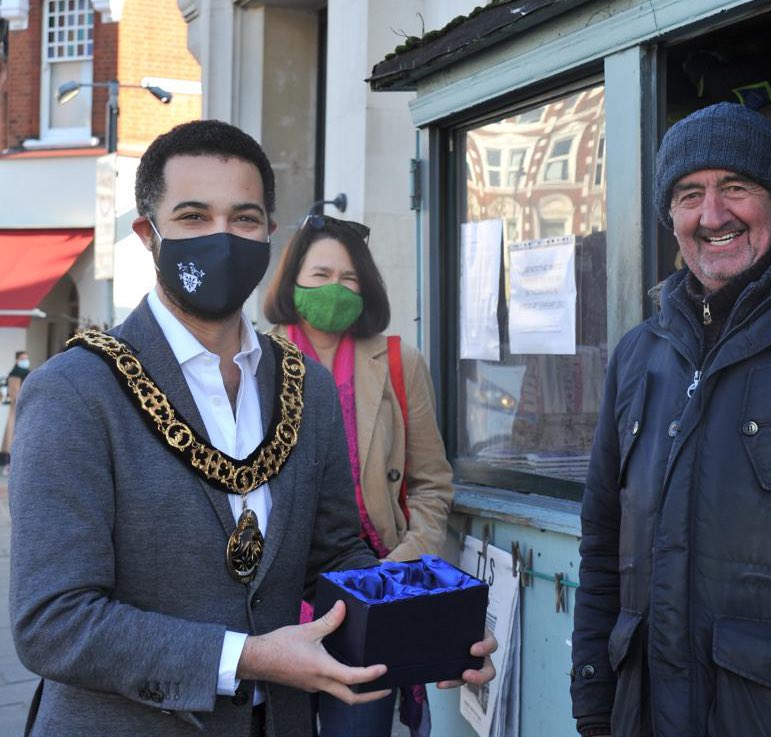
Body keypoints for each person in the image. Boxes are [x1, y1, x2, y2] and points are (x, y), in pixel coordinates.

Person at [9, 119, 495, 737]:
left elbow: (336, 554)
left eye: (243, 218)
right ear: (147, 234)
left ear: (269, 232)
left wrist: (425, 625)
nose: (221, 237)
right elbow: (53, 622)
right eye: (192, 216)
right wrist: (248, 657)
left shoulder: (303, 385)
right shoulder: (76, 391)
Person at [571, 102, 771, 737]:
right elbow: (601, 544)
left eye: (737, 188)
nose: (713, 215)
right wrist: (594, 701)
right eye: (690, 194)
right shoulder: (640, 354)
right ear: (671, 217)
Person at [263, 214, 455, 737]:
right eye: (321, 274)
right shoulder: (253, 359)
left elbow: (433, 481)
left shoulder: (398, 361)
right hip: (276, 606)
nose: (335, 289)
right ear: (292, 281)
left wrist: (399, 571)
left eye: (349, 279)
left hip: (375, 592)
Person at [0, 350, 29, 476]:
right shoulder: (15, 374)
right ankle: (8, 465)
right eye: (23, 358)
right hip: (17, 410)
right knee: (13, 438)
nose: (26, 361)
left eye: (27, 358)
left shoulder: (26, 372)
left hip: (24, 410)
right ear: (17, 360)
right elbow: (14, 394)